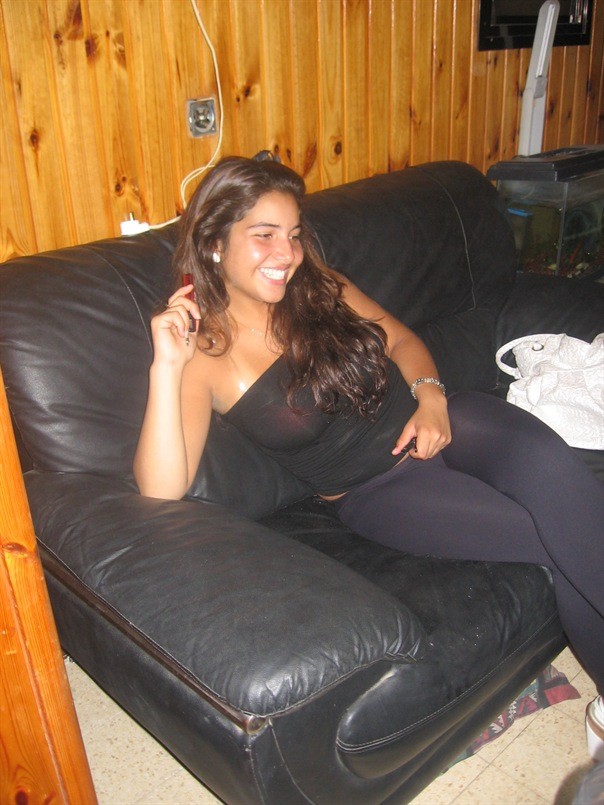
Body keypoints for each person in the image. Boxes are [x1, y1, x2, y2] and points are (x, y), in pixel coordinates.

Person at [134, 156, 604, 761]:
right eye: (264, 235)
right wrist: (165, 365)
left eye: (294, 234)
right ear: (214, 243)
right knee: (553, 538)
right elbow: (160, 489)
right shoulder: (203, 356)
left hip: (452, 419)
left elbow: (402, 339)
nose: (287, 253)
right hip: (381, 489)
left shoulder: (319, 286)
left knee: (561, 479)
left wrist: (430, 397)